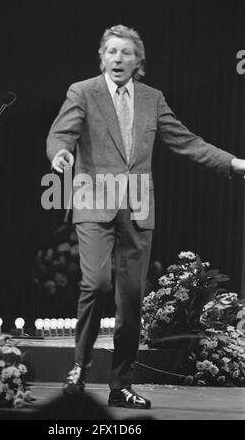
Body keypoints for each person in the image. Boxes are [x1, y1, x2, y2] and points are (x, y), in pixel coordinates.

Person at [46, 24, 245, 409]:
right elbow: (60, 134)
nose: (118, 59)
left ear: (139, 61)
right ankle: (80, 367)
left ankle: (121, 384)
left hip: (137, 207)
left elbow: (187, 142)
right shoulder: (83, 91)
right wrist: (59, 153)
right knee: (97, 283)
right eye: (111, 52)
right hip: (94, 200)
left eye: (126, 53)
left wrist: (235, 163)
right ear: (101, 57)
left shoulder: (152, 98)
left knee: (132, 298)